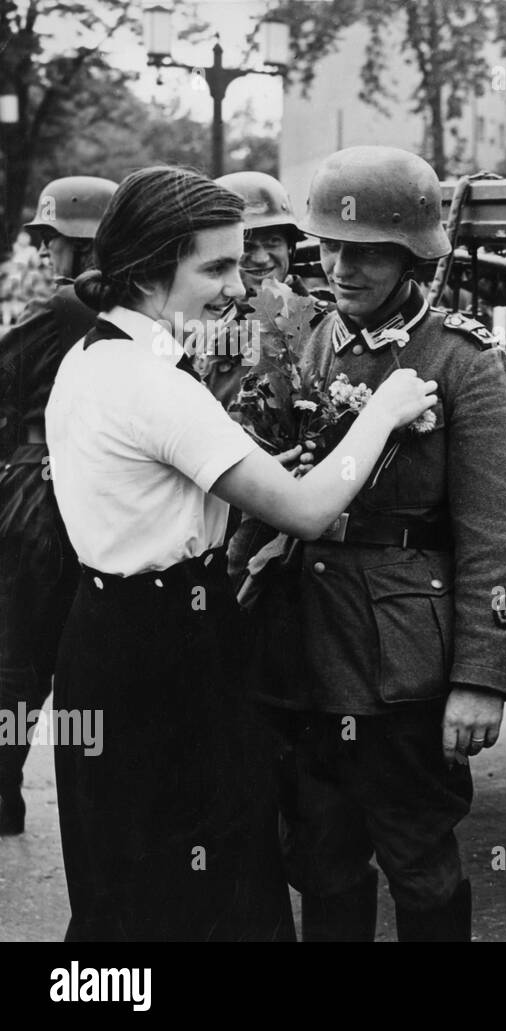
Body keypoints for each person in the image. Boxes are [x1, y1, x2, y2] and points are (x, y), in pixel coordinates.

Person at [43, 165, 439, 941]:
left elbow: (156, 490)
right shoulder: (157, 385)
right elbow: (308, 509)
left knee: (121, 879)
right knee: (213, 879)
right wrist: (384, 413)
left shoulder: (91, 361)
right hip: (172, 650)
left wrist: (246, 482)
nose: (236, 287)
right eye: (215, 267)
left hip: (104, 635)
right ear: (150, 268)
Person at [246, 145, 506, 942]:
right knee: (320, 858)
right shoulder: (302, 343)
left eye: (368, 251)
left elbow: (504, 532)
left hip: (402, 663)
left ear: (412, 254)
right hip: (304, 651)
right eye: (332, 247)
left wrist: (483, 676)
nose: (343, 267)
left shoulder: (463, 360)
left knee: (419, 860)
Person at [0, 175, 115, 835]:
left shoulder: (69, 304)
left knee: (17, 658)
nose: (48, 253)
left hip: (40, 498)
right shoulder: (134, 304)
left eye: (59, 241)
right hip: (93, 495)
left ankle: (4, 790)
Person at [204, 171, 318, 409]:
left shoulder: (325, 323)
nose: (261, 258)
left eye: (273, 241)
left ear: (290, 248)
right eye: (247, 245)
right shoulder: (207, 331)